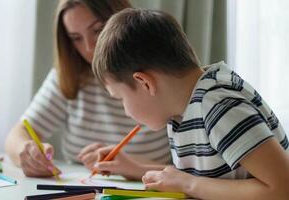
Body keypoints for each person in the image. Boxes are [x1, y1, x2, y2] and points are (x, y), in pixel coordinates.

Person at [92, 8, 289, 199]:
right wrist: (137, 169)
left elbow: (282, 189)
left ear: (144, 83)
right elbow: (207, 180)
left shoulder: (220, 106)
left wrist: (186, 184)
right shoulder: (182, 110)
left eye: (120, 98)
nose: (126, 111)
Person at [5, 0, 171, 180]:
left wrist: (132, 165)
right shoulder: (70, 76)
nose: (89, 48)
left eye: (98, 30)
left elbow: (194, 174)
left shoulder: (163, 77)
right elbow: (18, 134)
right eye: (76, 38)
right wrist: (27, 153)